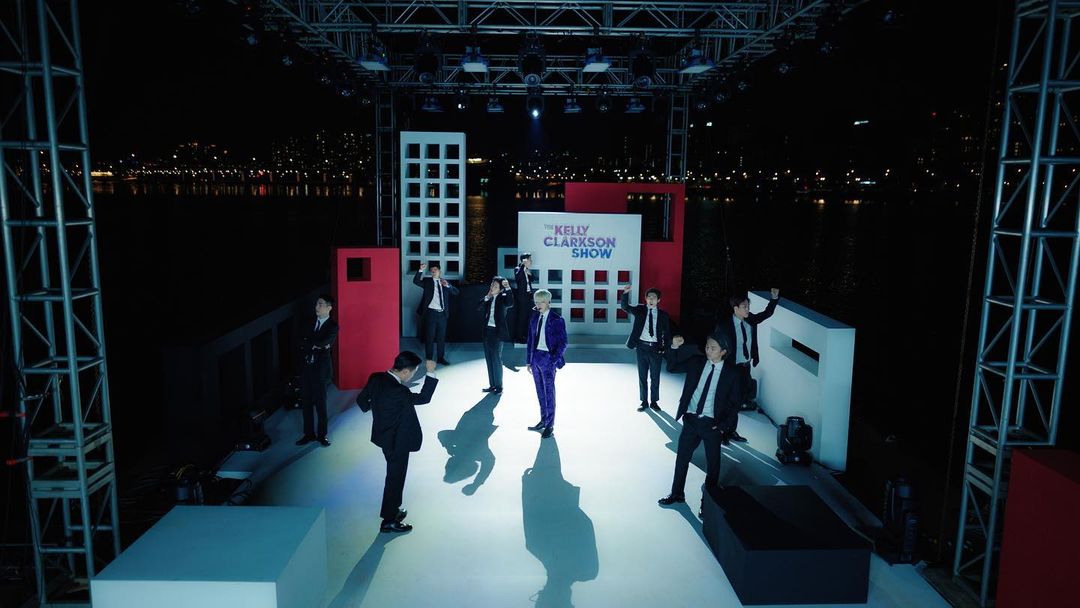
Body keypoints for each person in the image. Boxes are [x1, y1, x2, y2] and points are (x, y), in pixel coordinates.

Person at [355, 352, 439, 533]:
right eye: (413, 373)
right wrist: (430, 372)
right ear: (405, 372)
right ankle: (389, 521)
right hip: (398, 442)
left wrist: (378, 406)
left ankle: (393, 510)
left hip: (384, 437)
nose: (412, 376)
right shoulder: (400, 392)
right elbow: (424, 398)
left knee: (394, 476)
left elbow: (361, 401)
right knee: (395, 479)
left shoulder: (376, 378)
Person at [657, 333, 740, 507]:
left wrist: (722, 427)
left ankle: (707, 504)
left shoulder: (731, 374)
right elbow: (672, 367)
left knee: (713, 466)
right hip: (691, 420)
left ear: (723, 351)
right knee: (682, 459)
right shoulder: (697, 362)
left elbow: (734, 405)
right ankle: (677, 494)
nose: (708, 350)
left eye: (713, 348)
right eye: (707, 347)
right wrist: (673, 348)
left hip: (712, 425)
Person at [713, 287, 780, 443]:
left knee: (737, 401)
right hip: (730, 368)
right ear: (735, 308)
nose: (748, 309)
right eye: (744, 307)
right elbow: (715, 345)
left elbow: (767, 313)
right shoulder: (724, 325)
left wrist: (774, 299)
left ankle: (730, 430)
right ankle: (722, 432)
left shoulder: (750, 320)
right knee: (728, 401)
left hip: (745, 367)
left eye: (748, 306)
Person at [620, 285, 672, 412]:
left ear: (658, 300)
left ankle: (654, 402)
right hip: (641, 347)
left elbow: (667, 333)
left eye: (654, 297)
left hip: (655, 349)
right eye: (649, 297)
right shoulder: (640, 310)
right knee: (642, 376)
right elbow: (625, 307)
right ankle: (644, 402)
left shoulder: (663, 315)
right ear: (646, 299)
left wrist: (665, 348)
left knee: (655, 377)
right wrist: (625, 294)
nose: (651, 299)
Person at [296, 294, 338, 447]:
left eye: (320, 304)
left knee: (320, 404)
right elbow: (301, 341)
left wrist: (314, 344)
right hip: (306, 368)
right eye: (316, 304)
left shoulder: (333, 326)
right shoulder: (309, 323)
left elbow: (324, 342)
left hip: (321, 370)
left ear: (329, 308)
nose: (317, 307)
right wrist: (316, 345)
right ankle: (308, 434)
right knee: (306, 403)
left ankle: (322, 435)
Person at [525, 289, 567, 439]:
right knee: (540, 392)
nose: (539, 304)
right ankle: (543, 420)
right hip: (535, 358)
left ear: (548, 302)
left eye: (542, 301)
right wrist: (528, 361)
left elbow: (563, 343)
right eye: (536, 302)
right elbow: (530, 339)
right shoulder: (534, 317)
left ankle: (550, 425)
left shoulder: (557, 319)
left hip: (548, 359)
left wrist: (553, 360)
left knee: (549, 393)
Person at [412, 262, 459, 365]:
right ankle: (429, 358)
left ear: (439, 271)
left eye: (435, 270)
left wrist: (448, 286)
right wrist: (420, 270)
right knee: (430, 337)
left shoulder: (445, 282)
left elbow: (456, 292)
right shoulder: (427, 282)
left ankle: (440, 358)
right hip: (431, 314)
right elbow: (416, 281)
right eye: (432, 270)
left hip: (442, 315)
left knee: (441, 338)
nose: (433, 272)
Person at [478, 275, 514, 393]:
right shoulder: (489, 298)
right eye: (492, 285)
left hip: (497, 332)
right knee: (489, 359)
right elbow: (478, 307)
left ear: (500, 289)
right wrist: (487, 297)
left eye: (495, 286)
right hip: (486, 331)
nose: (492, 287)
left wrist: (508, 288)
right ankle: (492, 385)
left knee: (496, 359)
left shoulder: (503, 298)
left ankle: (499, 386)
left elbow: (510, 303)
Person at [512, 253, 535, 343]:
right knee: (522, 317)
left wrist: (529, 273)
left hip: (529, 296)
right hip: (522, 297)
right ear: (525, 260)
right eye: (530, 259)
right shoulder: (518, 268)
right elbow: (517, 278)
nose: (531, 261)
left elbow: (532, 279)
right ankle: (519, 337)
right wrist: (522, 265)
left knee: (528, 316)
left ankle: (526, 335)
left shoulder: (527, 270)